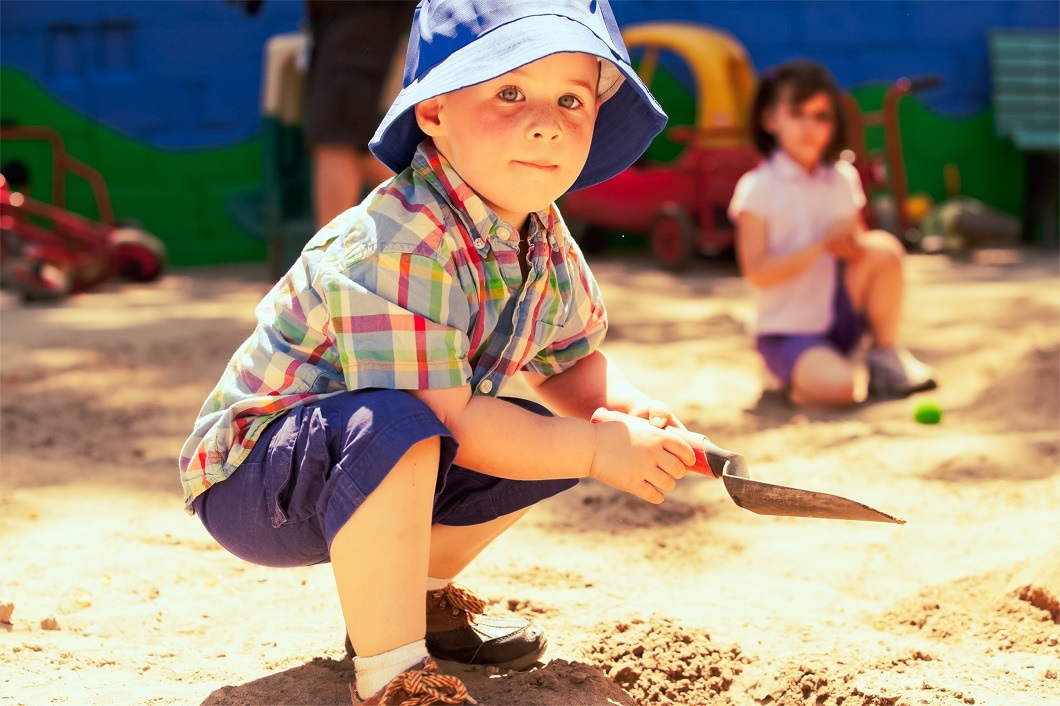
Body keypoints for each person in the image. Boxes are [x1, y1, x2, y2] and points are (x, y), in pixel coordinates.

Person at [179, 2, 697, 703]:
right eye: (509, 92)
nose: (545, 121)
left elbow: (568, 360)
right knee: (424, 426)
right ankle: (393, 675)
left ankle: (413, 597)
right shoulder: (403, 236)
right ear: (433, 113)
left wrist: (625, 415)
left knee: (549, 435)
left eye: (571, 98)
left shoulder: (540, 230)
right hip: (259, 476)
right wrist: (598, 451)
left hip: (384, 448)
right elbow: (443, 417)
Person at [729, 60, 936, 408]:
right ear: (770, 119)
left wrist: (848, 243)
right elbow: (757, 272)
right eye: (797, 113)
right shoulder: (757, 188)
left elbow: (861, 251)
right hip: (787, 330)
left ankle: (884, 357)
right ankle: (787, 378)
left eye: (821, 116)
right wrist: (819, 245)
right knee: (840, 390)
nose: (810, 126)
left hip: (839, 319)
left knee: (883, 248)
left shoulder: (843, 177)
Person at [303, 1, 416, 228]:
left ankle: (329, 258)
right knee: (348, 135)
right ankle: (448, 215)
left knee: (336, 136)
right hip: (339, 18)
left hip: (359, 12)